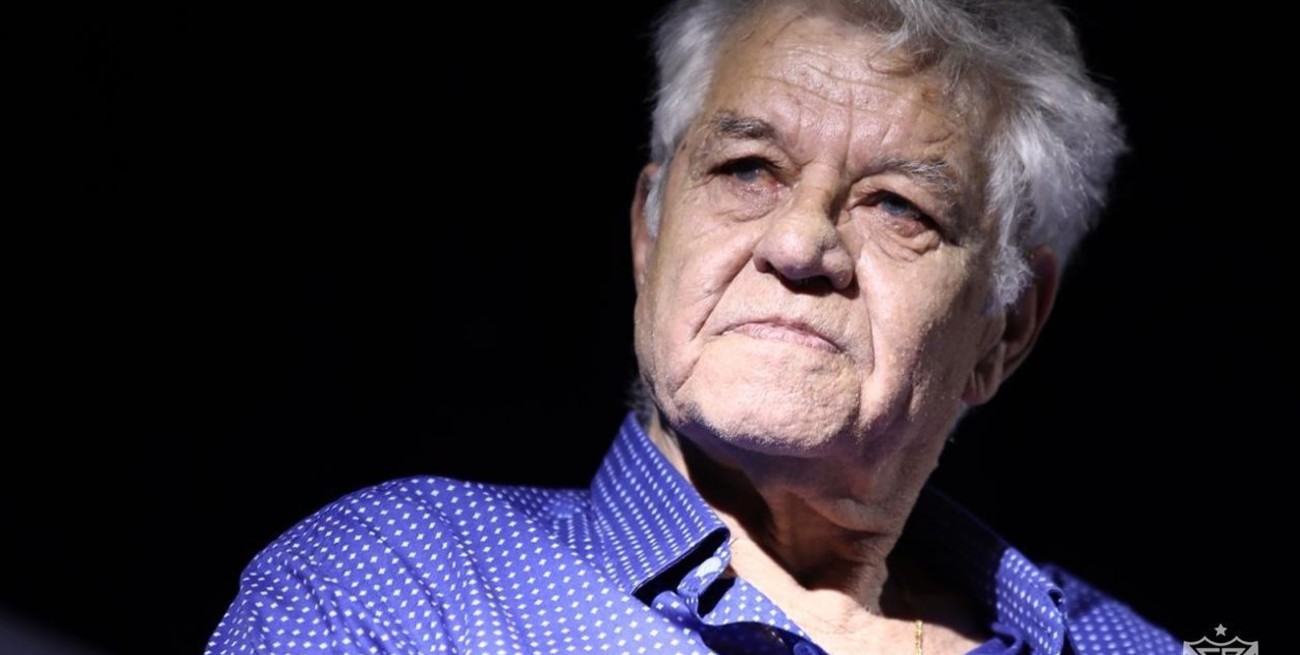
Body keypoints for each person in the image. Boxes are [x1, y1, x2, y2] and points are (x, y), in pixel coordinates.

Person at [206, 0, 1181, 653]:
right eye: (747, 169)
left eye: (896, 205)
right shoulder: (403, 588)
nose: (799, 245)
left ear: (1006, 327)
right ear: (649, 230)